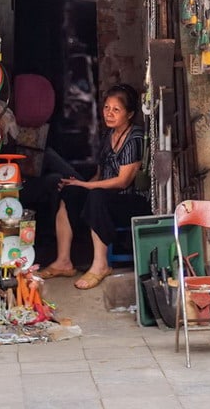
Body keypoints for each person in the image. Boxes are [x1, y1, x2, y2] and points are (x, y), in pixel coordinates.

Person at [39, 83, 150, 289]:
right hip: (106, 196)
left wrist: (86, 186)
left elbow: (122, 181)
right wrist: (79, 186)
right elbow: (100, 173)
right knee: (71, 192)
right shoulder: (109, 135)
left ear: (130, 114)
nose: (109, 113)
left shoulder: (134, 138)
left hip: (130, 201)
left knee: (96, 196)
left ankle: (100, 265)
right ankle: (64, 261)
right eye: (107, 108)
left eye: (116, 110)